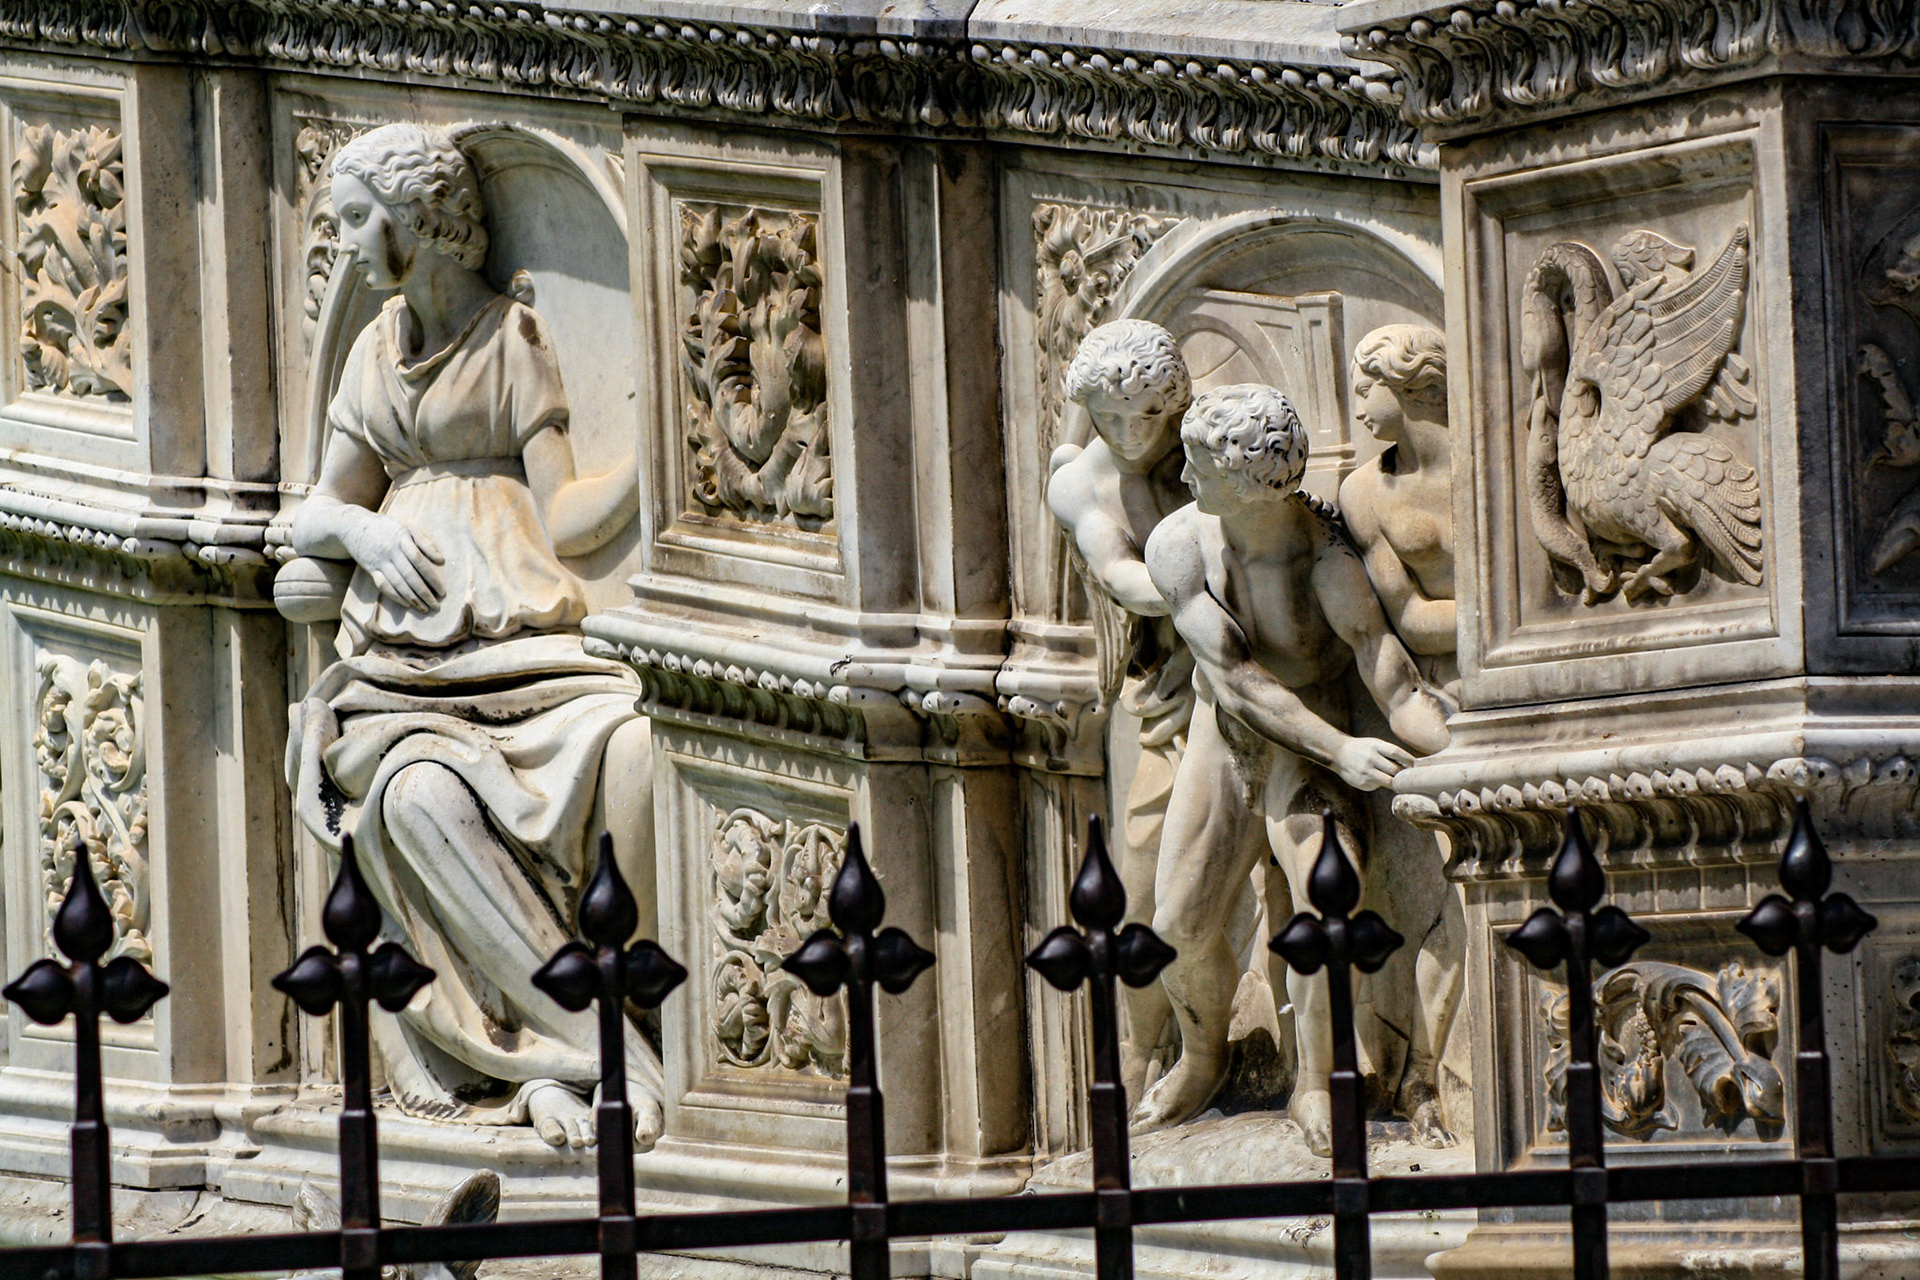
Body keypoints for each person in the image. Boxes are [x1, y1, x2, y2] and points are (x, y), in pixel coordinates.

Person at [281, 122, 658, 1151]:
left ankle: (565, 1049)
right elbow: (309, 515)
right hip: (396, 675)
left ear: (415, 220)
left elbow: (568, 511)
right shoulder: (372, 350)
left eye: (359, 220)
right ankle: (564, 1053)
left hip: (516, 630)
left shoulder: (511, 338)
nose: (350, 245)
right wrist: (360, 525)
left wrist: (650, 459)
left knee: (616, 743)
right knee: (415, 797)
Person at [1139, 384, 1451, 1155]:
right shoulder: (1180, 545)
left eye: (1200, 467)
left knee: (1324, 914)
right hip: (1229, 739)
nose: (1183, 480)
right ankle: (1203, 1055)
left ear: (1247, 486)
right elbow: (1237, 678)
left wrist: (1454, 759)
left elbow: (1394, 681)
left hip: (1306, 749)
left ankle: (1315, 1078)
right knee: (1176, 927)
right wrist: (1344, 749)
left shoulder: (1328, 560)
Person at [1046, 319, 1195, 1100]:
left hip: (1217, 683)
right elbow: (1122, 576)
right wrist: (1198, 592)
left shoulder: (1193, 454)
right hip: (1149, 698)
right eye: (1114, 417)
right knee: (1138, 890)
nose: (1134, 433)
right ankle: (1141, 1051)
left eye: (1149, 414)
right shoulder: (1079, 480)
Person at [1338, 324, 1464, 1147]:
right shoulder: (1362, 494)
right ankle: (1423, 1075)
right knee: (1459, 904)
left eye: (1366, 384)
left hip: (1528, 680)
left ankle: (1434, 1074)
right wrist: (1500, 621)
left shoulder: (1492, 460)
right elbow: (1412, 621)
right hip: (1446, 701)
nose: (1356, 403)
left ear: (1409, 385)